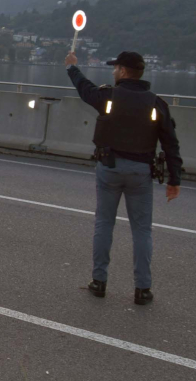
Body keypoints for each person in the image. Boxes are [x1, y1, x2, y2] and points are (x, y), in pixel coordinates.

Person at [65, 51, 182, 305]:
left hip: (109, 167)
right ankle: (142, 289)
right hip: (141, 172)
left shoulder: (109, 96)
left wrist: (72, 68)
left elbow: (86, 90)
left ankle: (99, 282)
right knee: (142, 231)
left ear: (124, 71)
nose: (113, 71)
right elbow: (170, 143)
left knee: (104, 223)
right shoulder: (156, 103)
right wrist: (175, 179)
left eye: (116, 67)